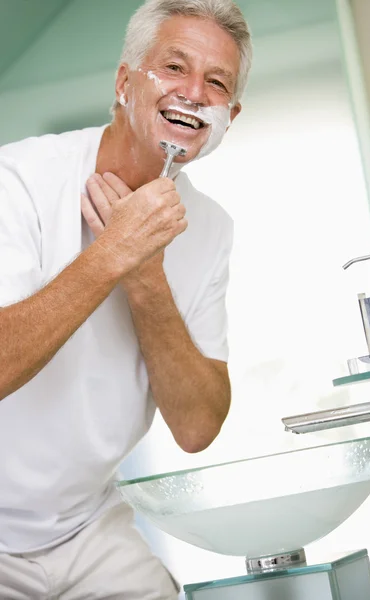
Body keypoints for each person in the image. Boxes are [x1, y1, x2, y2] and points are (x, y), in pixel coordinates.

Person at [0, 0, 252, 597]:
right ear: (123, 83)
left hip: (88, 527)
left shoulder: (212, 227)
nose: (194, 93)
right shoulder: (19, 180)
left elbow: (196, 427)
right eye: (174, 67)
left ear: (229, 116)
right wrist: (113, 253)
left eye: (216, 84)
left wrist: (145, 277)